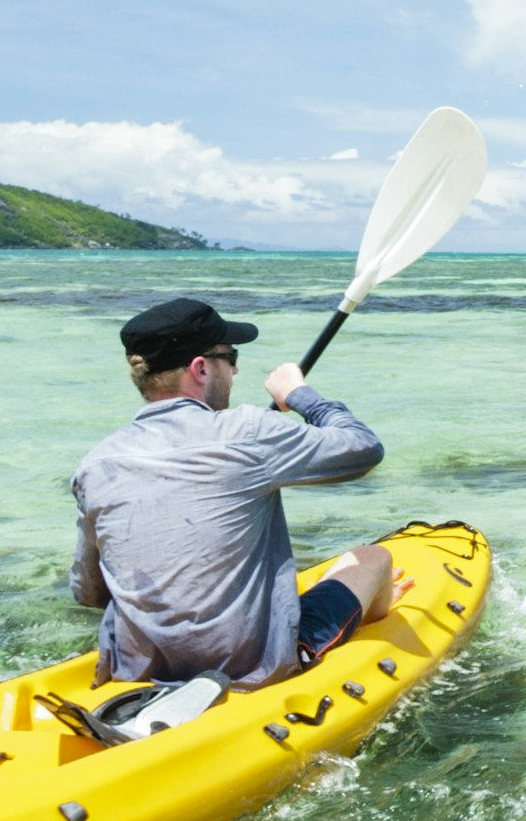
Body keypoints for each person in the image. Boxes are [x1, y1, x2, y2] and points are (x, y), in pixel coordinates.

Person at [69, 295, 402, 692]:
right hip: (250, 668)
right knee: (375, 558)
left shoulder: (96, 463)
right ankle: (378, 615)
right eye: (230, 356)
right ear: (200, 368)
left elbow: (89, 591)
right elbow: (363, 446)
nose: (236, 368)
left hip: (136, 670)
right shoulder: (248, 430)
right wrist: (297, 393)